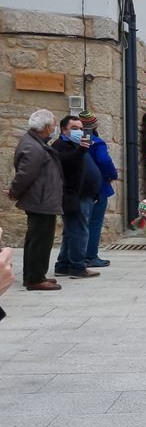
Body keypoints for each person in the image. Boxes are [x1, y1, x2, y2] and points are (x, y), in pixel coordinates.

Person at [7, 109, 64, 291]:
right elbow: (25, 174)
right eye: (53, 125)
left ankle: (34, 275)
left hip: (42, 199)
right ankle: (35, 279)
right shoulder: (33, 146)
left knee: (36, 238)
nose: (54, 128)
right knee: (40, 240)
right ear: (47, 128)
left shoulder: (35, 142)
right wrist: (14, 192)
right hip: (40, 200)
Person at [52, 115, 101, 279]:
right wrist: (81, 150)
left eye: (81, 129)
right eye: (74, 128)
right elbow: (64, 162)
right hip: (74, 195)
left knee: (71, 231)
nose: (79, 132)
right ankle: (78, 267)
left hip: (85, 194)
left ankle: (63, 264)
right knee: (79, 231)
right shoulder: (60, 146)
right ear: (64, 130)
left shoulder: (77, 145)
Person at [78, 111, 117, 268]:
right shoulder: (97, 143)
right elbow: (104, 160)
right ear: (94, 126)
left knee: (78, 224)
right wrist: (112, 174)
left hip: (77, 187)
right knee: (94, 223)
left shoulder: (73, 141)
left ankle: (77, 256)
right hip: (98, 187)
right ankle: (91, 256)